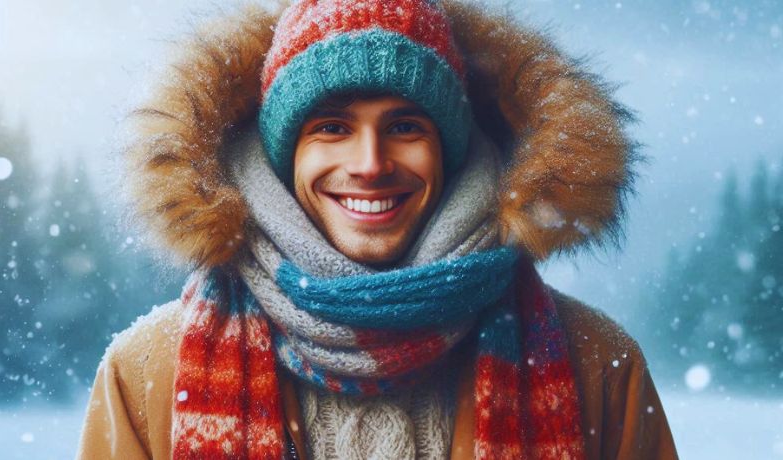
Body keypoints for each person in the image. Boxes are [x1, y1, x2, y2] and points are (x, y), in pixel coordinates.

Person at [77, 0, 678, 459]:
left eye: (405, 126)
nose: (369, 163)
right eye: (332, 128)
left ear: (450, 148)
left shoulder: (597, 364)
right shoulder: (148, 373)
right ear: (283, 158)